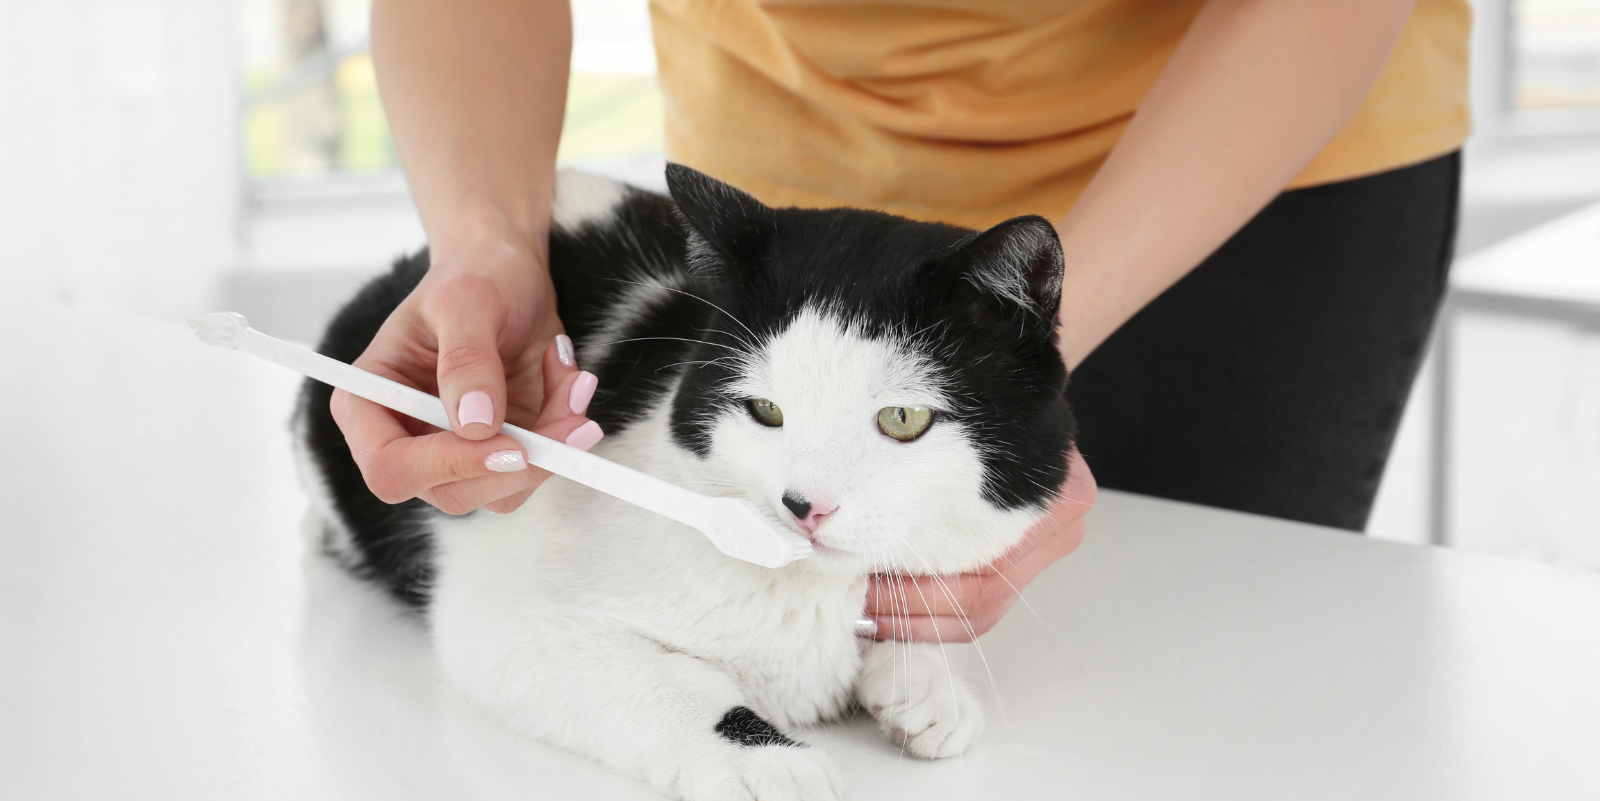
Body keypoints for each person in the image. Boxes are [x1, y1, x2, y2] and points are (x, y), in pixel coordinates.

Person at [338, 0, 1468, 642]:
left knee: (1197, 675)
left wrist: (1028, 356)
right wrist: (488, 246)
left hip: (1239, 150)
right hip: (795, 169)